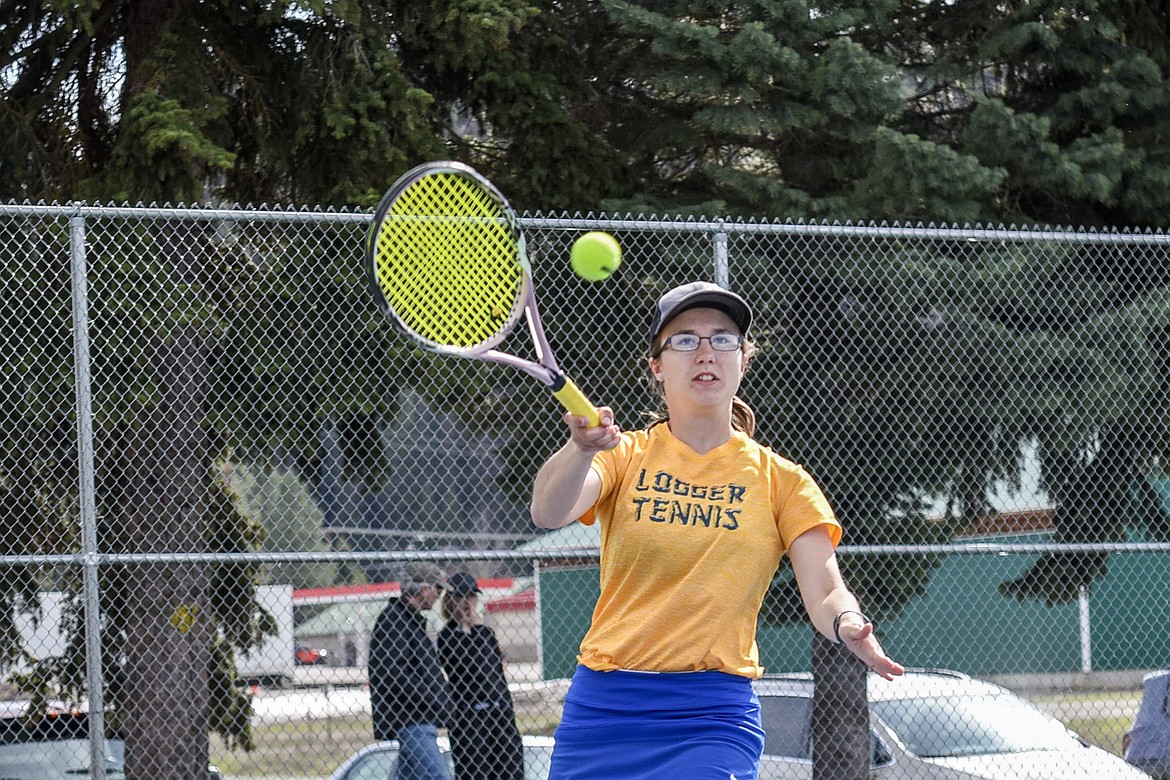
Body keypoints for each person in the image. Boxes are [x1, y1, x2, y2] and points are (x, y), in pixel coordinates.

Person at [530, 280, 905, 780]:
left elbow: (826, 588)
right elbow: (548, 511)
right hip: (605, 707)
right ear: (657, 367)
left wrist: (847, 622)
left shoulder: (783, 481)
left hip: (712, 713)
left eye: (722, 338)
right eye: (685, 339)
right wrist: (581, 449)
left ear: (743, 361)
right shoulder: (623, 455)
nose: (705, 351)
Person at [368, 561, 453, 780]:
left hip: (418, 719)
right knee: (439, 777)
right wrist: (432, 698)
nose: (438, 596)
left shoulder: (409, 622)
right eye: (438, 589)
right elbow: (393, 673)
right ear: (425, 589)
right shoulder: (395, 622)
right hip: (412, 719)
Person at [437, 571, 525, 780]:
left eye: (471, 596)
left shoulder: (485, 632)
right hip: (470, 719)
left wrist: (478, 630)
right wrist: (475, 629)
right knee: (476, 772)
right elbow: (474, 667)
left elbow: (493, 673)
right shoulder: (448, 636)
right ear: (450, 600)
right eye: (460, 597)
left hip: (499, 715)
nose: (467, 603)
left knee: (510, 771)